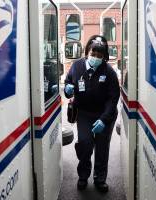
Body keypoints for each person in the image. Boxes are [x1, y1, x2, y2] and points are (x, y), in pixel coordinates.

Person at [64, 35, 120, 192]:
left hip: (105, 115)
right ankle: (83, 176)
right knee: (85, 144)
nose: (95, 57)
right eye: (93, 54)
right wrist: (67, 89)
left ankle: (100, 179)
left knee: (102, 148)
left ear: (104, 57)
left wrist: (104, 120)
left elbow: (113, 98)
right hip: (84, 114)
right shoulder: (76, 66)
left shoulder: (109, 72)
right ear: (87, 52)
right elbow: (69, 82)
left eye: (99, 56)